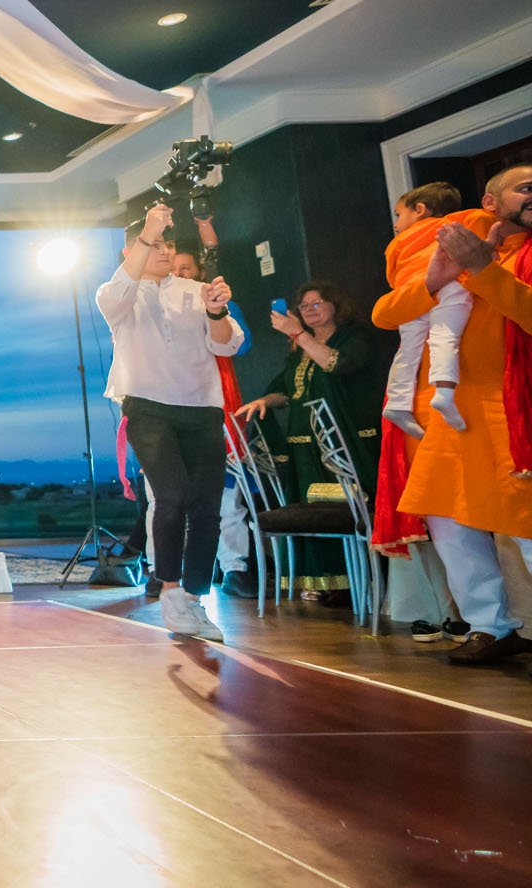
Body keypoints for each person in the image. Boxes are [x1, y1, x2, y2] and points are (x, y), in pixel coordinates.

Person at [375, 164, 532, 669]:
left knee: (525, 522)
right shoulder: (449, 241)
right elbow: (384, 313)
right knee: (448, 521)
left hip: (511, 408)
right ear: (490, 203)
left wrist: (482, 270)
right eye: (526, 188)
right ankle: (489, 625)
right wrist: (436, 279)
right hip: (449, 411)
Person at [96, 205, 241, 642]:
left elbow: (228, 345)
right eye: (153, 244)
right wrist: (150, 230)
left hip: (201, 409)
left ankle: (195, 598)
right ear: (130, 249)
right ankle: (171, 589)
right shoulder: (118, 294)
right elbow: (117, 296)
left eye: (167, 244)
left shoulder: (196, 290)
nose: (162, 251)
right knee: (171, 497)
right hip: (147, 407)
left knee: (207, 509)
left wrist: (216, 311)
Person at [235, 282, 382, 605]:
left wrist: (299, 333)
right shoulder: (299, 351)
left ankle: (367, 583)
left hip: (349, 445)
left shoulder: (354, 338)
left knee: (355, 512)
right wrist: (264, 401)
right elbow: (286, 390)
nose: (311, 309)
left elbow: (335, 364)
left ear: (335, 305)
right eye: (304, 306)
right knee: (316, 515)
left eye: (318, 303)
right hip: (307, 450)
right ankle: (331, 584)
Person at [170, 245, 256, 597]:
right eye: (174, 269)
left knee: (226, 492)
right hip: (175, 407)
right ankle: (172, 572)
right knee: (172, 496)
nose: (180, 274)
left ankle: (234, 567)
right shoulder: (159, 310)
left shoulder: (220, 305)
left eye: (187, 268)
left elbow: (244, 344)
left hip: (218, 404)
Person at [382, 182, 494, 438]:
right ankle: (444, 392)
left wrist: (411, 289)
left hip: (412, 293)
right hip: (450, 284)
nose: (397, 223)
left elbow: (391, 275)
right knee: (445, 336)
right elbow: (482, 230)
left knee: (408, 350)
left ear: (419, 209)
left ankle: (397, 403)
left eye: (399, 214)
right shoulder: (459, 220)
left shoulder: (397, 243)